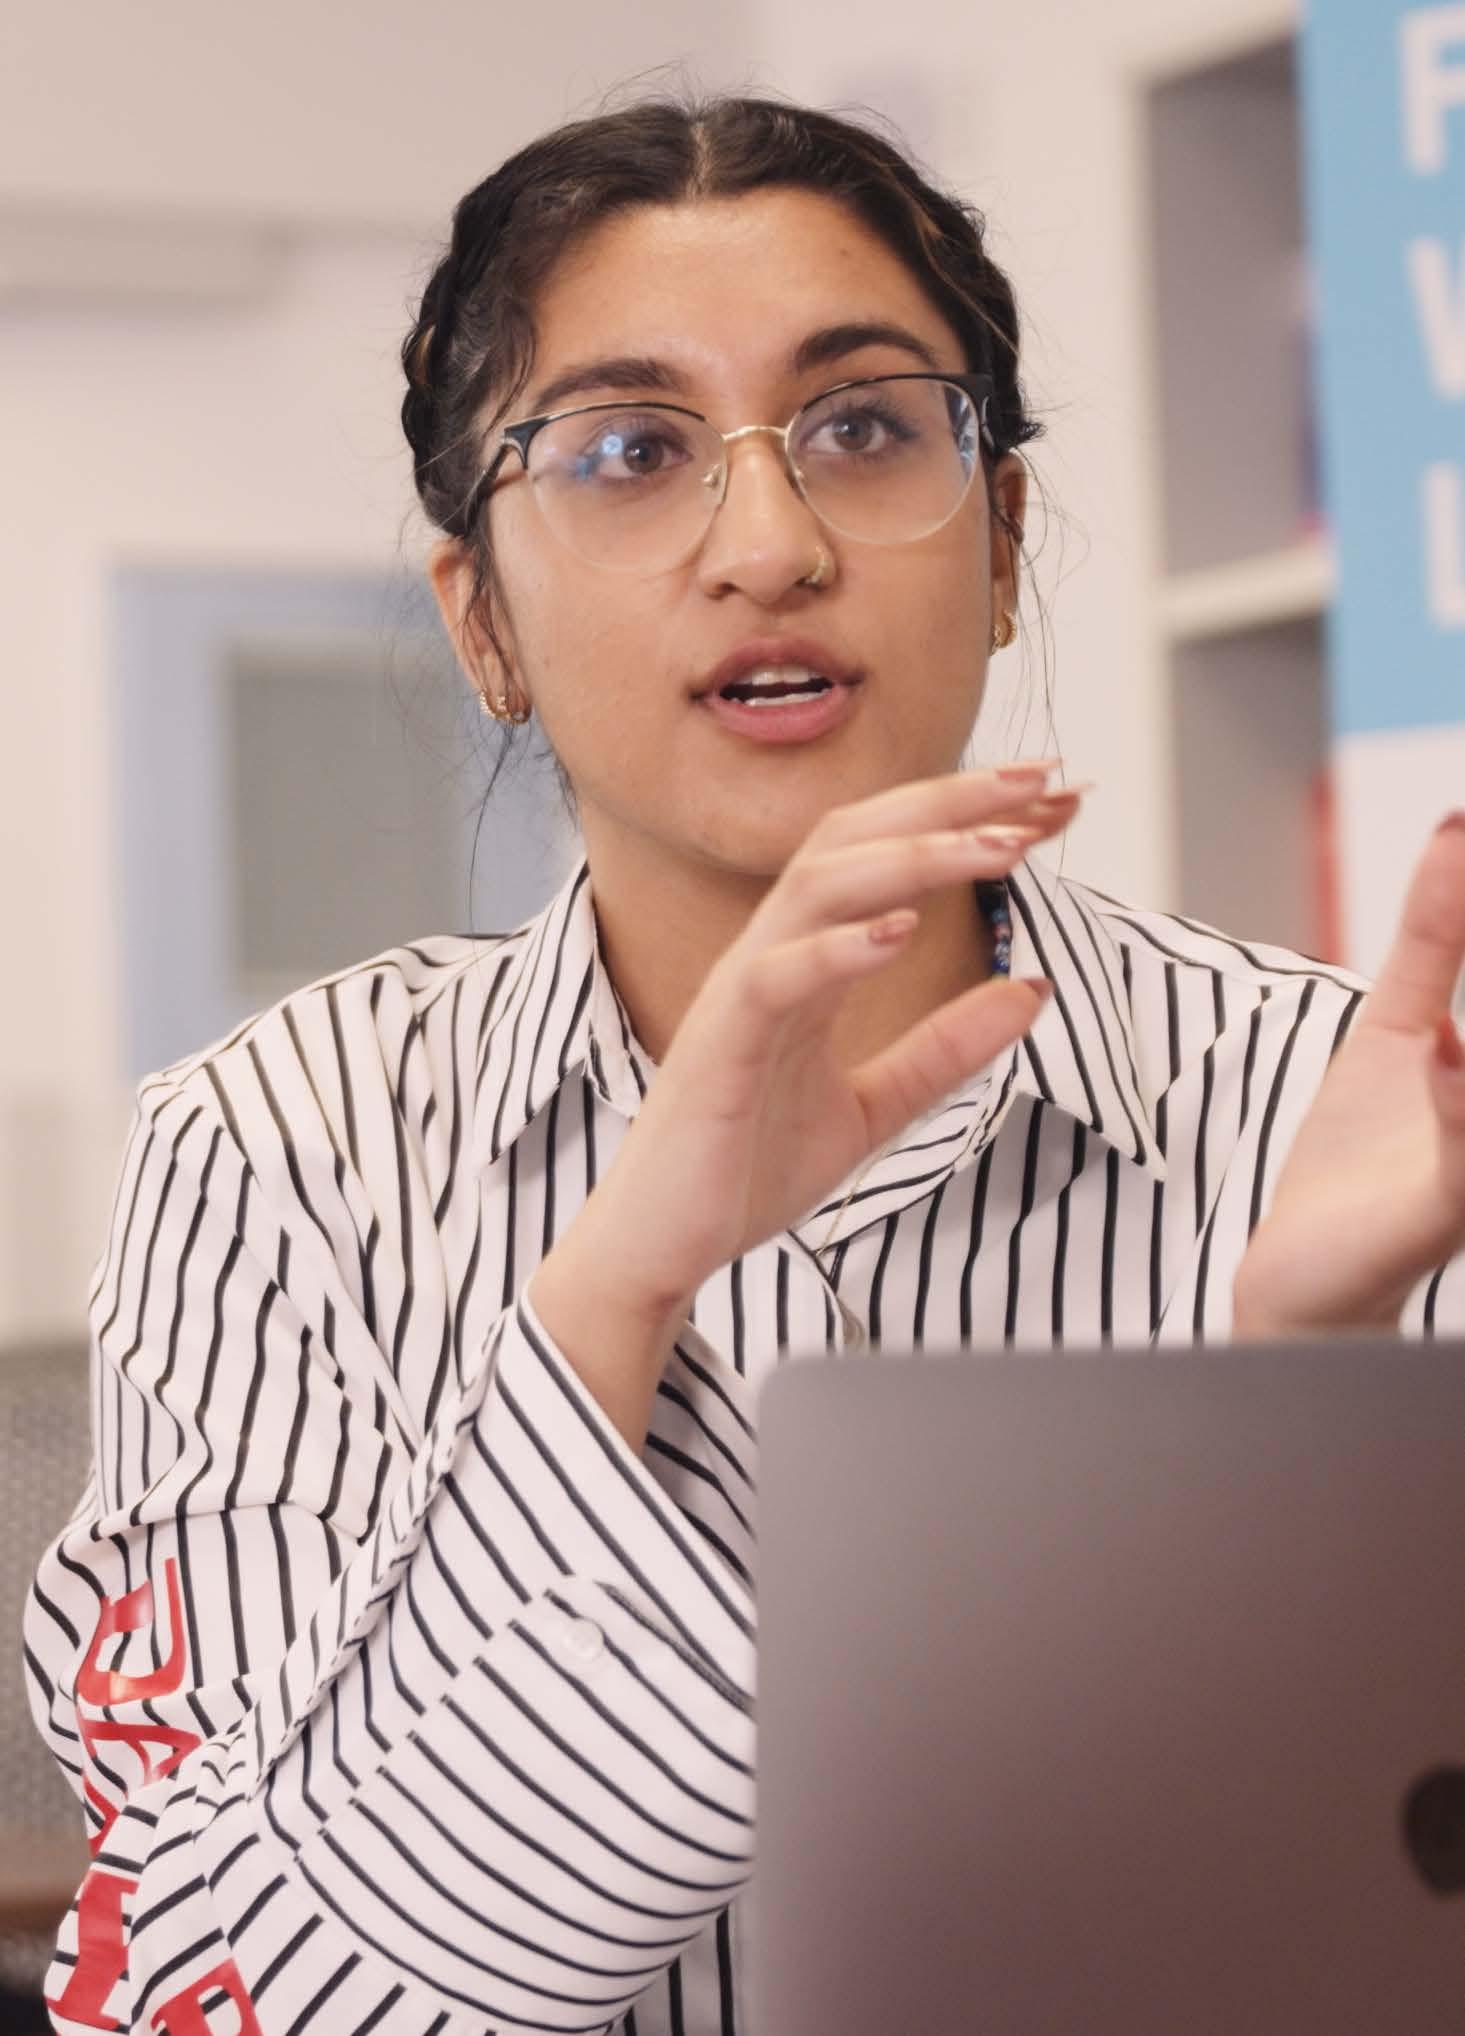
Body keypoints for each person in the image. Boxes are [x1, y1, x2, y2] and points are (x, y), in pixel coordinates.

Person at [23, 87, 1465, 2036]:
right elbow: (212, 1991)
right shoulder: (282, 1155)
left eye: (863, 427)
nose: (771, 544)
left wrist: (1293, 1415)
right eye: (630, 450)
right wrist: (613, 1294)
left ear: (1003, 539)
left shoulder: (1353, 1122)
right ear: (482, 622)